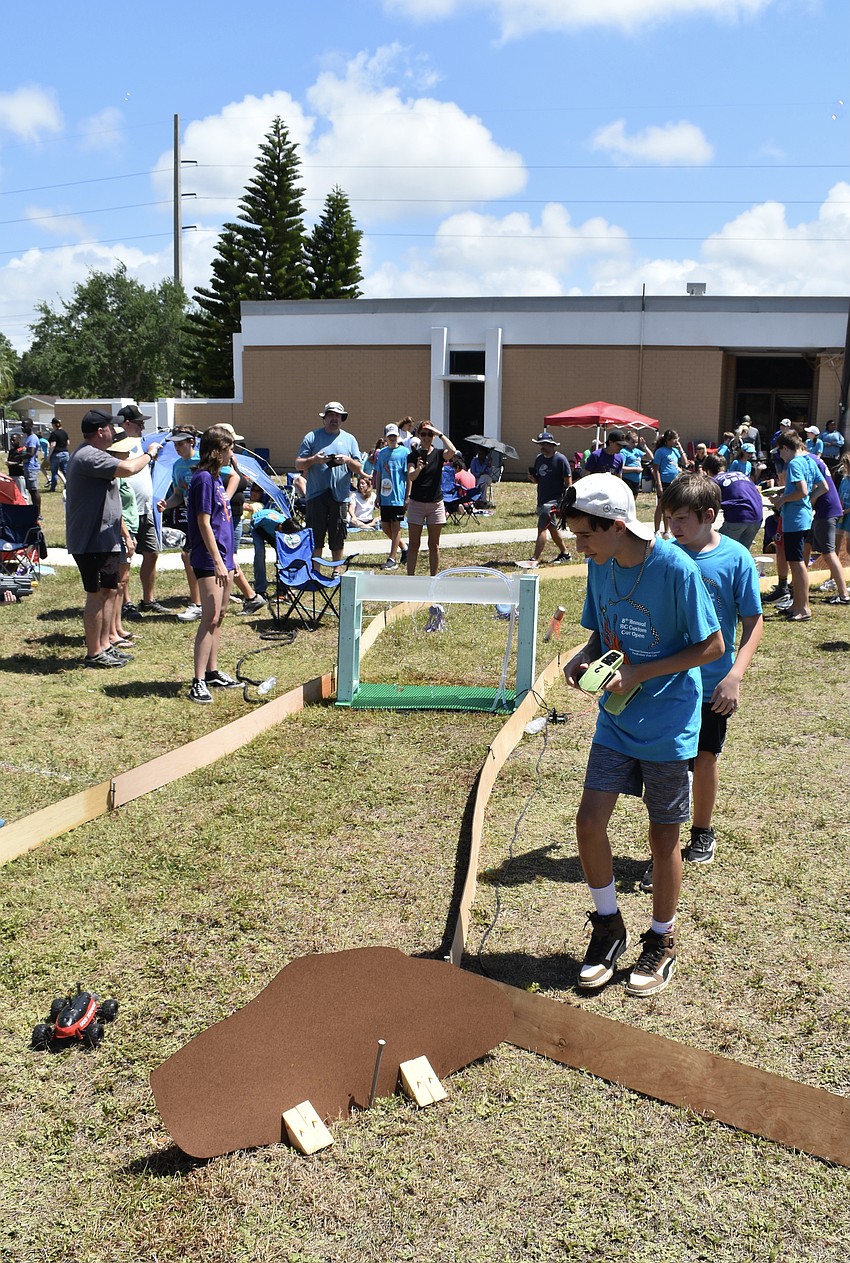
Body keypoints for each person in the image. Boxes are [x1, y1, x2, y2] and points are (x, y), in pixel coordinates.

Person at [559, 474, 722, 997]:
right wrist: (585, 657)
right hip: (617, 718)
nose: (579, 546)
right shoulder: (599, 563)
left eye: (586, 535)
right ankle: (609, 926)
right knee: (589, 822)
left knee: (663, 836)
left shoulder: (675, 567)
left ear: (616, 525)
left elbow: (713, 646)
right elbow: (600, 630)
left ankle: (661, 939)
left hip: (669, 724)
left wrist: (639, 674)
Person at [639, 475, 762, 890]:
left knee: (705, 758)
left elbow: (753, 622)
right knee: (671, 766)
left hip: (712, 684)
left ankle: (702, 831)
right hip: (668, 683)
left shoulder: (736, 558)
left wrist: (735, 675)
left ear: (709, 515)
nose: (672, 527)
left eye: (681, 519)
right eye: (668, 518)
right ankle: (665, 850)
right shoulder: (665, 556)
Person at [65, 408, 161, 668]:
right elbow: (129, 468)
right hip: (91, 541)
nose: (115, 431)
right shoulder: (89, 456)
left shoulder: (94, 455)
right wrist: (150, 454)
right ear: (100, 431)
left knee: (108, 591)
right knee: (96, 594)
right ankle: (94, 653)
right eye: (111, 427)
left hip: (104, 538)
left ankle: (105, 645)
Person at [185, 426, 241, 704]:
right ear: (218, 451)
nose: (233, 453)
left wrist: (231, 559)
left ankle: (212, 672)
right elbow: (204, 523)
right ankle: (197, 681)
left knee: (220, 615)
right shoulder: (204, 479)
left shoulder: (217, 479)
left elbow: (223, 522)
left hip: (224, 558)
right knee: (209, 617)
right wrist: (218, 560)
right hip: (209, 560)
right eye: (230, 448)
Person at [116, 404, 169, 616]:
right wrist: (149, 454)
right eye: (139, 423)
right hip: (127, 512)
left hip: (146, 510)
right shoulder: (117, 446)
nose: (143, 427)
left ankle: (148, 600)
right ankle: (126, 603)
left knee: (152, 553)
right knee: (125, 559)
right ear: (127, 424)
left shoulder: (139, 443)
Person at [765, 430, 823, 621]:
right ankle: (797, 605)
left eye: (780, 451)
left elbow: (802, 491)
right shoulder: (809, 460)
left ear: (785, 448)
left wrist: (781, 500)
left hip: (795, 521)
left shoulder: (795, 463)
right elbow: (823, 487)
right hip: (804, 518)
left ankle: (804, 608)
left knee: (797, 566)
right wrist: (807, 503)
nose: (780, 456)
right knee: (797, 563)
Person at [295, 401, 362, 560]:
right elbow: (298, 464)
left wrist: (347, 460)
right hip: (316, 495)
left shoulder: (349, 439)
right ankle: (315, 570)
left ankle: (336, 569)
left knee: (338, 537)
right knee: (315, 538)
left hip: (340, 496)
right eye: (331, 415)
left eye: (337, 416)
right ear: (324, 418)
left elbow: (358, 467)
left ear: (341, 418)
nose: (334, 418)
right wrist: (315, 460)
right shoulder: (312, 437)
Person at [405, 421, 457, 576]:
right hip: (416, 504)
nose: (426, 437)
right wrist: (419, 468)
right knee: (414, 544)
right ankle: (410, 578)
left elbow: (452, 451)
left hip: (435, 504)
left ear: (433, 436)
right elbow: (411, 476)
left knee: (434, 545)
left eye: (430, 434)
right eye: (423, 434)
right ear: (419, 436)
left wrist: (439, 433)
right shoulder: (413, 455)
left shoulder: (439, 454)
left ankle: (434, 579)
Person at [525, 431, 572, 568]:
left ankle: (535, 558)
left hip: (553, 501)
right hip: (542, 498)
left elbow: (568, 483)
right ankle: (565, 554)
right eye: (540, 444)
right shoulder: (539, 459)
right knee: (551, 527)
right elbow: (538, 480)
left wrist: (565, 500)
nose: (542, 446)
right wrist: (533, 478)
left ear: (552, 445)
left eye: (544, 444)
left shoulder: (560, 459)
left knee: (542, 528)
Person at [702, 453, 764, 552]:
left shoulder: (714, 481)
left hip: (738, 517)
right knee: (742, 552)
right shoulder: (741, 475)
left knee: (720, 549)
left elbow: (708, 505)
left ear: (708, 471)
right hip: (757, 517)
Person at [372, 423, 409, 570]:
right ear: (386, 438)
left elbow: (408, 476)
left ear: (398, 436)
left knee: (395, 527)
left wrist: (407, 495)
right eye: (389, 436)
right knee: (385, 527)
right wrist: (377, 494)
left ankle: (392, 558)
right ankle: (404, 547)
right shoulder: (382, 453)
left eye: (394, 436)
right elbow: (379, 474)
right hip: (385, 495)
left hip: (398, 496)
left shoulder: (404, 452)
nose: (392, 438)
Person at [651, 428, 686, 531]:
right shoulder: (660, 451)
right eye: (674, 439)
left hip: (674, 482)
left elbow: (685, 462)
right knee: (661, 506)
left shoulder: (675, 451)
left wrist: (680, 448)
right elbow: (656, 468)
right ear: (668, 440)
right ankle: (657, 530)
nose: (676, 441)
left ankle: (667, 530)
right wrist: (659, 484)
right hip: (664, 482)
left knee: (669, 507)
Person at [20, 421, 42, 518]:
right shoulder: (27, 438)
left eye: (24, 426)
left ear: (30, 426)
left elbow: (31, 453)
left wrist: (18, 458)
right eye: (22, 426)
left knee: (33, 490)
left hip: (31, 467)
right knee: (30, 490)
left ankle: (37, 513)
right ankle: (34, 511)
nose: (23, 428)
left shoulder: (33, 438)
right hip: (27, 466)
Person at [47, 418, 71, 491]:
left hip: (57, 454)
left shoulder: (54, 433)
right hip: (65, 453)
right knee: (65, 471)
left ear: (54, 424)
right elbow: (68, 443)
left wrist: (49, 456)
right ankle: (68, 486)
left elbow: (53, 445)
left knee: (54, 471)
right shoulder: (64, 432)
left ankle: (53, 487)